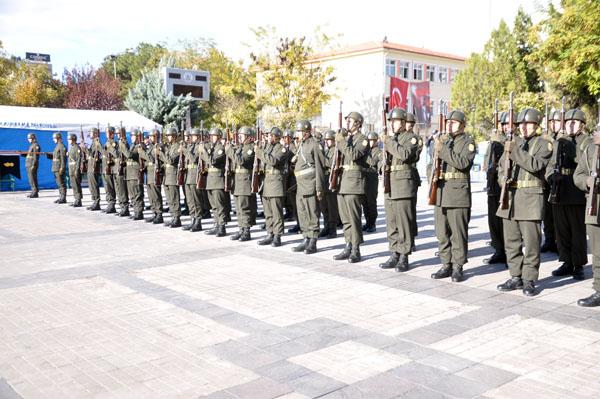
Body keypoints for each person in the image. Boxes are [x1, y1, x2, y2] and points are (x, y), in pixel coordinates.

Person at [496, 108, 552, 296]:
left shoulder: (544, 144)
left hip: (530, 198)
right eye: (521, 124)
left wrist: (514, 151)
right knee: (511, 241)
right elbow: (501, 168)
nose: (524, 128)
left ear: (536, 125)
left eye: (528, 124)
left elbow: (535, 165)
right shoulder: (513, 144)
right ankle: (515, 276)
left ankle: (529, 278)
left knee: (531, 242)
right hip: (510, 197)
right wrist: (501, 179)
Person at [430, 110, 475, 282]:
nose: (450, 125)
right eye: (448, 122)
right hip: (441, 191)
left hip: (457, 193)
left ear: (462, 125)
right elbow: (433, 165)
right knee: (441, 232)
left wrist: (443, 150)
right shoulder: (444, 141)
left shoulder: (468, 142)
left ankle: (458, 266)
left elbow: (462, 163)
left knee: (458, 233)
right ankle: (445, 264)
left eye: (454, 122)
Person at [546, 108, 589, 280]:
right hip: (559, 189)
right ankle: (566, 261)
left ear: (582, 125)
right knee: (561, 230)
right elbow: (549, 165)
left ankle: (578, 264)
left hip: (576, 191)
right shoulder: (558, 141)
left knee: (577, 230)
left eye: (574, 122)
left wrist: (568, 144)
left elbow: (582, 161)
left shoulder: (586, 141)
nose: (570, 125)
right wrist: (551, 177)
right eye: (567, 122)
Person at [379, 107, 420, 272]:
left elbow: (404, 155)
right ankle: (394, 253)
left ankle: (404, 255)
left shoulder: (411, 138)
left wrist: (388, 142)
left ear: (403, 123)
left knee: (404, 223)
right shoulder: (393, 139)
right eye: (391, 121)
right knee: (392, 222)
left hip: (403, 185)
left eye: (394, 121)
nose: (392, 124)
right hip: (390, 184)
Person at [333, 111, 370, 263]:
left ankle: (356, 248)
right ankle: (348, 245)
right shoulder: (347, 138)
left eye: (350, 121)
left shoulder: (363, 139)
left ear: (358, 124)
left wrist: (341, 142)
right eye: (346, 120)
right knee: (345, 218)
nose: (347, 123)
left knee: (354, 218)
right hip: (343, 182)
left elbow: (353, 155)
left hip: (354, 183)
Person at [574, 120, 600, 307]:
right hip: (594, 205)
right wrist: (588, 182)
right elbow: (578, 175)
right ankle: (599, 289)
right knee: (598, 252)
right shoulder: (591, 150)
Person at [291, 120, 326, 254]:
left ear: (306, 132)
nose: (297, 134)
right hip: (300, 185)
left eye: (299, 131)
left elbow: (319, 167)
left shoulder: (314, 145)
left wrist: (319, 187)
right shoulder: (301, 144)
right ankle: (306, 237)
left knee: (312, 213)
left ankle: (313, 241)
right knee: (302, 212)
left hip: (311, 184)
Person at [484, 111, 512, 264]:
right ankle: (498, 249)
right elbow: (488, 162)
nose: (506, 127)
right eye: (504, 124)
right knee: (493, 220)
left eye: (508, 124)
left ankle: (510, 252)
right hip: (493, 184)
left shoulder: (511, 140)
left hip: (506, 185)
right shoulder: (495, 140)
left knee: (505, 221)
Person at [256, 127, 287, 246]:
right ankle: (270, 233)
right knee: (268, 212)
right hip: (266, 183)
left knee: (276, 212)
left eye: (271, 135)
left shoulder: (282, 149)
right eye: (268, 135)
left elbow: (273, 161)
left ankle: (277, 236)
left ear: (277, 137)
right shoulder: (268, 147)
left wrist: (259, 152)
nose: (269, 137)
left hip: (275, 183)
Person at [226, 126, 257, 242]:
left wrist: (229, 151)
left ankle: (246, 231)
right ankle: (241, 229)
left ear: (248, 137)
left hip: (245, 181)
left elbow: (240, 161)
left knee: (244, 207)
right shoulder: (241, 147)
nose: (239, 137)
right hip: (237, 181)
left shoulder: (251, 148)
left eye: (242, 135)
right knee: (238, 208)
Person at [202, 127, 228, 237]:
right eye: (211, 136)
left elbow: (212, 161)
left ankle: (222, 227)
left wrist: (203, 151)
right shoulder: (213, 148)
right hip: (211, 180)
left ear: (219, 137)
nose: (211, 138)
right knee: (214, 205)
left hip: (218, 180)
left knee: (219, 205)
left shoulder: (220, 148)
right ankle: (216, 223)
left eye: (214, 136)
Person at [406, 112, 423, 251]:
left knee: (410, 210)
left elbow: (414, 157)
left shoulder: (415, 139)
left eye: (409, 123)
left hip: (411, 176)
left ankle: (411, 239)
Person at [139, 129, 164, 224]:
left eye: (152, 136)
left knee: (156, 194)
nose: (150, 138)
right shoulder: (150, 147)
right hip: (149, 173)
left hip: (155, 173)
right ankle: (154, 212)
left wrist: (142, 153)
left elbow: (151, 159)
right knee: (150, 195)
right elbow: (147, 160)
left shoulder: (159, 146)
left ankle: (159, 214)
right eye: (149, 136)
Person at [159, 127, 182, 227]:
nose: (167, 137)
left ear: (174, 136)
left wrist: (160, 153)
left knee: (174, 197)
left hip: (173, 175)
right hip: (166, 175)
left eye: (169, 135)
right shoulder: (169, 147)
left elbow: (171, 160)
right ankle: (173, 216)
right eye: (167, 136)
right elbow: (165, 161)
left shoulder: (177, 147)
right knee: (169, 198)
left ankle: (177, 218)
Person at [319, 130, 339, 239]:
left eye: (329, 140)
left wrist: (320, 158)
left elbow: (331, 163)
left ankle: (333, 229)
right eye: (326, 140)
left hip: (331, 179)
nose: (327, 142)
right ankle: (326, 226)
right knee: (324, 206)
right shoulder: (327, 151)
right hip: (325, 179)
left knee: (332, 207)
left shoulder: (336, 151)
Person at [122, 129, 145, 220]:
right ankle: (135, 211)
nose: (131, 137)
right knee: (132, 194)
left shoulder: (139, 146)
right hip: (129, 172)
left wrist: (123, 147)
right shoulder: (132, 145)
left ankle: (139, 212)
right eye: (131, 136)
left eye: (133, 136)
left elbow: (130, 155)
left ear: (138, 136)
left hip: (135, 173)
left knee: (137, 193)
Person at [361, 132, 380, 233]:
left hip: (372, 178)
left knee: (371, 202)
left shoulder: (378, 151)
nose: (370, 142)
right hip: (364, 177)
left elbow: (373, 162)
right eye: (369, 141)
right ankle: (368, 222)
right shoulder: (367, 150)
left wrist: (364, 155)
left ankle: (372, 223)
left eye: (372, 140)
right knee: (364, 202)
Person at [101, 126, 118, 214]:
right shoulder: (106, 142)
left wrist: (110, 147)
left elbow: (116, 154)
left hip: (110, 168)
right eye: (106, 132)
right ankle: (109, 203)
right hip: (105, 168)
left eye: (108, 132)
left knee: (111, 187)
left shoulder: (114, 143)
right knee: (107, 187)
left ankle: (112, 205)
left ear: (112, 134)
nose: (107, 134)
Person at [48, 132, 67, 204]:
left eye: (54, 138)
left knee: (61, 183)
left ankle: (63, 198)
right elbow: (56, 157)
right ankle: (60, 197)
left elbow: (63, 158)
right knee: (59, 183)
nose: (53, 140)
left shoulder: (62, 146)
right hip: (55, 167)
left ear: (58, 138)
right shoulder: (57, 146)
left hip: (59, 167)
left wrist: (62, 167)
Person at [115, 127, 130, 217]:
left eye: (119, 134)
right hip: (118, 167)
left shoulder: (125, 143)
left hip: (123, 168)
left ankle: (125, 208)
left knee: (122, 189)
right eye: (117, 134)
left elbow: (126, 155)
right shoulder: (118, 143)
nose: (117, 135)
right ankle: (122, 206)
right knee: (119, 189)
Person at [86, 128, 103, 211]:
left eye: (91, 132)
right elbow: (90, 154)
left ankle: (97, 202)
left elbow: (103, 153)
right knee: (91, 185)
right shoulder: (93, 143)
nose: (90, 134)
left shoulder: (97, 143)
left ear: (96, 134)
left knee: (94, 185)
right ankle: (94, 201)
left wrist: (98, 159)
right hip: (90, 166)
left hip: (94, 166)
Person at [67, 134, 83, 207]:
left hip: (75, 169)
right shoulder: (72, 147)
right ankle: (76, 199)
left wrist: (77, 170)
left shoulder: (77, 148)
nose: (69, 141)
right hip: (71, 169)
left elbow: (78, 160)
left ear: (73, 140)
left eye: (70, 139)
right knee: (73, 185)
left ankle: (78, 200)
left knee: (77, 185)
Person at [22, 133, 41, 198]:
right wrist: (22, 153)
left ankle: (35, 192)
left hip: (32, 165)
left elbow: (35, 156)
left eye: (29, 138)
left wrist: (33, 165)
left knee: (33, 178)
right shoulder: (31, 145)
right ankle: (33, 191)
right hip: (29, 164)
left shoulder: (35, 145)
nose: (28, 140)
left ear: (33, 138)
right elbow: (29, 155)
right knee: (31, 179)